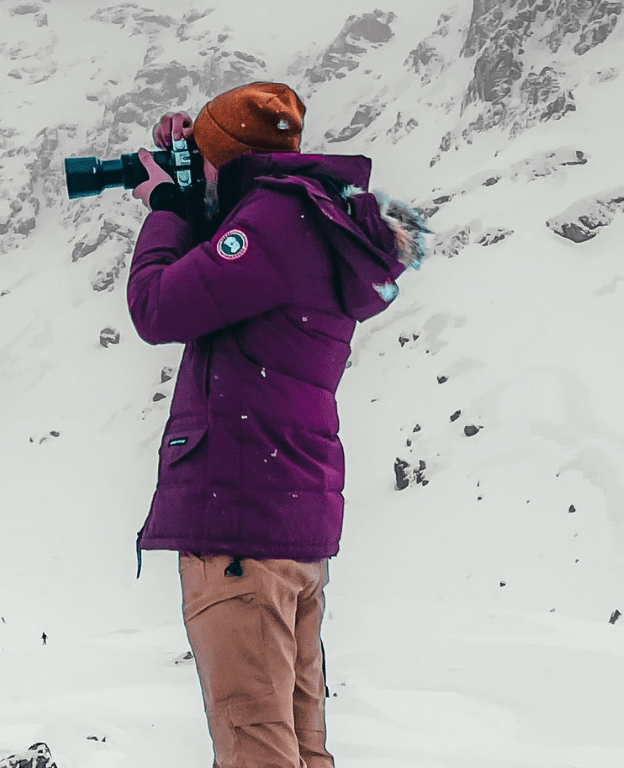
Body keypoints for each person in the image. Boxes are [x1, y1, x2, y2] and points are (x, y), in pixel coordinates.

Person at [126, 82, 426, 768]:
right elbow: (229, 282)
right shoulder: (314, 225)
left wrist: (171, 206)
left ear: (229, 161)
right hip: (290, 529)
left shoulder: (266, 227)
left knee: (253, 748)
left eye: (205, 159)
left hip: (239, 529)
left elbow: (156, 307)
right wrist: (197, 192)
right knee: (299, 748)